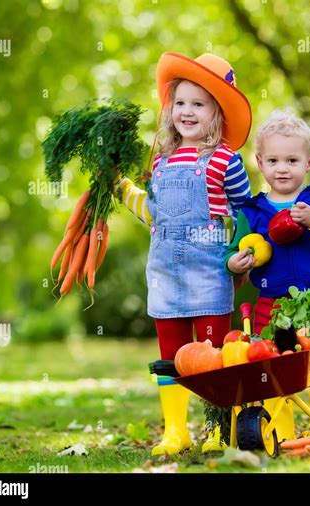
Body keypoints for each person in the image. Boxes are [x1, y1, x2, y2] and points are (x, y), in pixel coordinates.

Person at [114, 52, 252, 455]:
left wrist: (241, 253)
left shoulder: (226, 160)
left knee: (210, 357)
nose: (187, 112)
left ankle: (216, 429)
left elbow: (245, 212)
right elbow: (155, 214)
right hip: (165, 275)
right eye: (180, 102)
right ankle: (176, 431)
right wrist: (122, 188)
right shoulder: (161, 159)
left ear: (217, 113)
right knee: (170, 358)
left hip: (209, 272)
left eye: (199, 103)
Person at [224, 109, 310, 438]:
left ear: (309, 162)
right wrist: (234, 262)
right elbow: (233, 248)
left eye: (292, 161)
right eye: (274, 161)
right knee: (270, 365)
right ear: (260, 162)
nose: (282, 168)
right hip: (271, 302)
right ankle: (278, 433)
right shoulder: (252, 210)